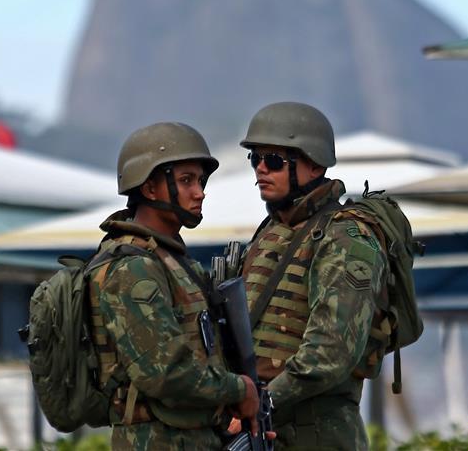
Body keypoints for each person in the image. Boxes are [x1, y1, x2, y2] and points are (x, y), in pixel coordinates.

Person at [86, 122, 260, 450]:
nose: (200, 191)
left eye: (200, 180)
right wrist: (240, 390)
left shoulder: (174, 261)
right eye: (186, 180)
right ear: (151, 188)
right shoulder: (134, 268)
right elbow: (163, 372)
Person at [237, 101, 388, 450]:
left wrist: (260, 402)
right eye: (255, 159)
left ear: (315, 163)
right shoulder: (269, 233)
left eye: (274, 160)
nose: (261, 169)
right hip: (264, 427)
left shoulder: (346, 238)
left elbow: (330, 353)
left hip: (318, 432)